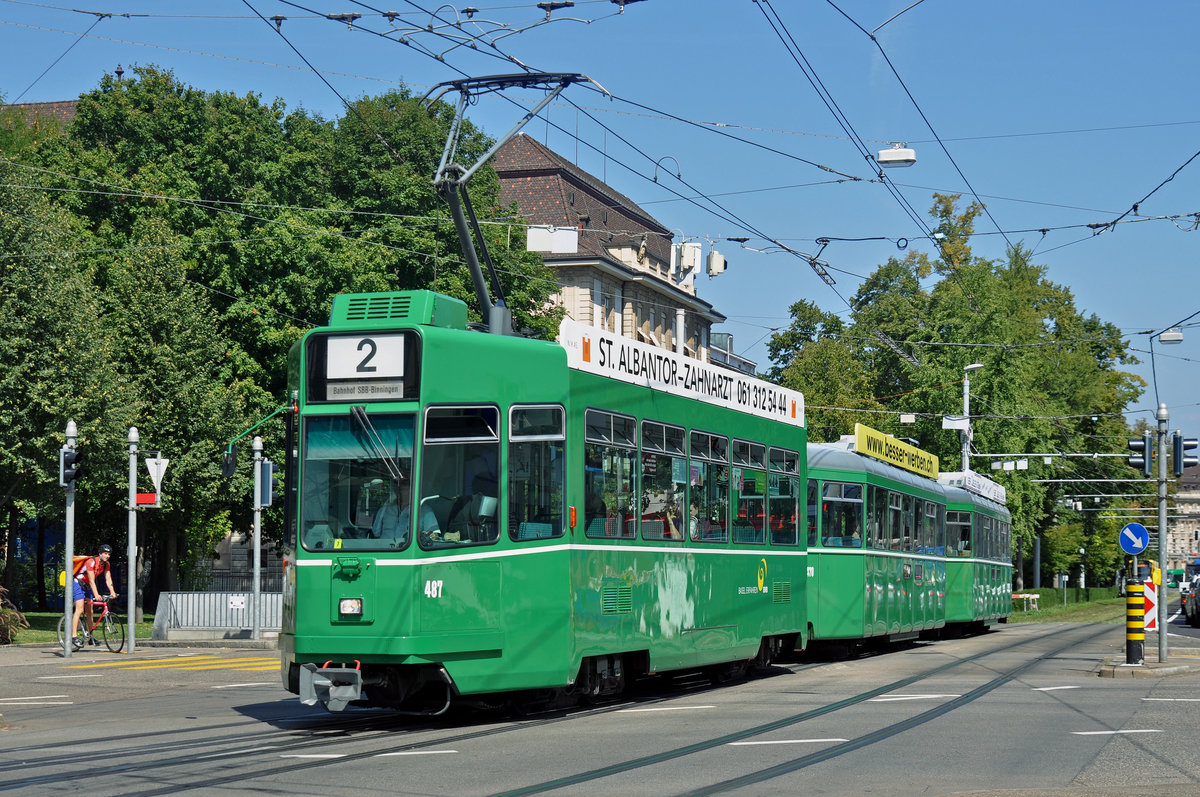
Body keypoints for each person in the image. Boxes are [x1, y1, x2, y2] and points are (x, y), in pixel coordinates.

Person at [71, 544, 115, 649]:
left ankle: (91, 637)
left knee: (90, 611)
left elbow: (108, 579)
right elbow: (91, 580)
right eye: (105, 553)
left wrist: (112, 591)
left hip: (87, 586)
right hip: (78, 583)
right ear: (100, 553)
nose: (107, 556)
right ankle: (74, 636)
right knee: (80, 609)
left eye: (109, 554)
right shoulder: (91, 562)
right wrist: (96, 594)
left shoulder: (106, 564)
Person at [372, 487, 439, 544]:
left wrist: (424, 536)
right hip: (383, 552)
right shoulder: (385, 509)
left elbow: (435, 535)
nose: (400, 490)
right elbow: (375, 533)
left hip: (408, 554)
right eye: (397, 486)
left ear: (412, 489)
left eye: (404, 488)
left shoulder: (424, 510)